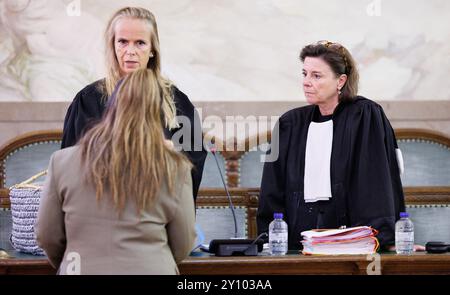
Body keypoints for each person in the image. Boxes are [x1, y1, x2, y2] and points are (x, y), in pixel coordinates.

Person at [36, 69, 196, 275]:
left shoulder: (62, 162)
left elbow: (47, 236)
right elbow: (183, 242)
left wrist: (72, 260)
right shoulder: (176, 167)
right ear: (156, 116)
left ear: (109, 109)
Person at [257, 40, 406, 251]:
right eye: (304, 74)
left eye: (316, 76)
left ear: (341, 81)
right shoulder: (290, 123)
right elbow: (272, 192)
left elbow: (375, 184)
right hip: (296, 243)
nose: (306, 82)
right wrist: (269, 241)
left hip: (352, 242)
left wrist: (383, 240)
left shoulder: (363, 116)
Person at [61, 7, 206, 199]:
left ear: (152, 49)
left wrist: (171, 153)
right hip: (102, 211)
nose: (130, 51)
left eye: (140, 43)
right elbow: (72, 166)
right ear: (112, 46)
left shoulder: (176, 101)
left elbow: (193, 164)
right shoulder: (88, 101)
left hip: (159, 211)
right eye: (122, 42)